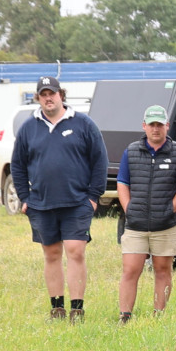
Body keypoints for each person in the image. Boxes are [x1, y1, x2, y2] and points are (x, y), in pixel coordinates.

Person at [11, 75, 107, 319]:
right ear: (38, 98)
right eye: (43, 94)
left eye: (52, 93)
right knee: (51, 254)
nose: (48, 98)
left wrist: (93, 196)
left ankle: (77, 308)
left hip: (77, 202)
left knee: (75, 250)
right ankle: (57, 308)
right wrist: (24, 197)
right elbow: (18, 165)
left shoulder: (83, 123)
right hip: (41, 203)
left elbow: (100, 161)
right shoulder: (28, 128)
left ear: (60, 95)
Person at [115, 103, 176, 323]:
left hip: (166, 225)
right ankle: (125, 316)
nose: (156, 129)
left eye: (160, 124)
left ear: (167, 126)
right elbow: (122, 183)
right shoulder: (130, 152)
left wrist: (169, 210)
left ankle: (159, 315)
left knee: (162, 269)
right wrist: (129, 208)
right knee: (131, 269)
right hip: (136, 224)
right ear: (144, 126)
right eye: (152, 124)